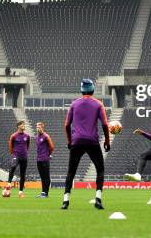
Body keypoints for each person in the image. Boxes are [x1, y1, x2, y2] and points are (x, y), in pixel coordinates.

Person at [61, 78, 110, 210]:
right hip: (92, 141)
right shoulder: (98, 104)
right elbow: (105, 124)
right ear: (93, 90)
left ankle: (65, 201)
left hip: (77, 141)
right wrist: (107, 140)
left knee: (71, 172)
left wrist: (69, 140)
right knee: (100, 169)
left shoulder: (74, 104)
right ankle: (98, 199)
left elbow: (66, 125)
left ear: (81, 90)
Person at [6, 120, 30, 198]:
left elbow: (27, 146)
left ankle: (20, 192)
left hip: (24, 157)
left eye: (24, 125)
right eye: (23, 125)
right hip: (16, 155)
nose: (24, 126)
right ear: (19, 126)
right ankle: (9, 183)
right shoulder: (13, 136)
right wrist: (14, 154)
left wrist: (25, 153)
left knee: (23, 175)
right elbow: (10, 146)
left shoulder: (27, 136)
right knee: (13, 167)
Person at [36, 121, 55, 198]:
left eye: (39, 127)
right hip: (38, 159)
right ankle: (43, 192)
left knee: (46, 176)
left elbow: (52, 147)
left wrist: (48, 154)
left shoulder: (46, 136)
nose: (37, 128)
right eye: (37, 127)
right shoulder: (37, 137)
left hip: (45, 159)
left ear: (42, 128)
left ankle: (46, 193)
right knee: (42, 177)